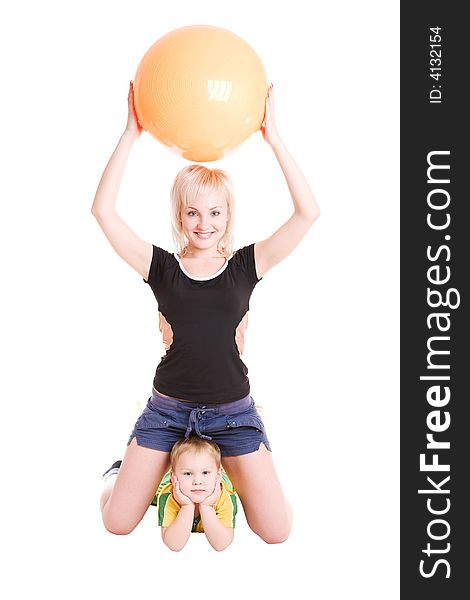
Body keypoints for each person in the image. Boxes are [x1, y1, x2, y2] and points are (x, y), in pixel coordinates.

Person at [93, 81, 320, 544]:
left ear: (227, 216)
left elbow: (307, 214)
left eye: (214, 213)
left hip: (233, 415)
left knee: (276, 531)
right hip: (168, 412)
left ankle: (224, 481)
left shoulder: (244, 267)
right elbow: (103, 211)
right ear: (180, 217)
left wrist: (273, 137)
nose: (204, 224)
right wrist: (129, 134)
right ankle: (136, 474)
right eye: (193, 213)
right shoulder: (162, 267)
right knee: (117, 523)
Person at [153, 435, 237, 551]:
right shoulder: (168, 495)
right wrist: (186, 506)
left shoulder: (225, 496)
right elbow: (174, 545)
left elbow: (221, 544)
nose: (197, 482)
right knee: (151, 490)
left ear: (218, 477)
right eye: (188, 474)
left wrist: (206, 506)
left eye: (205, 472)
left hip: (221, 478)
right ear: (174, 478)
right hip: (168, 479)